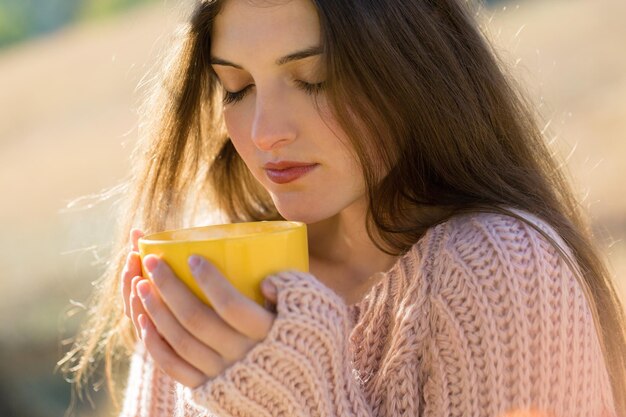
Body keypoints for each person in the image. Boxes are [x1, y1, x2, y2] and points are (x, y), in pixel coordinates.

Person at [60, 0, 626, 416]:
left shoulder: (501, 268)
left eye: (313, 79)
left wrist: (291, 394)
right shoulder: (208, 281)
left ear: (415, 71)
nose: (264, 133)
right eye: (236, 87)